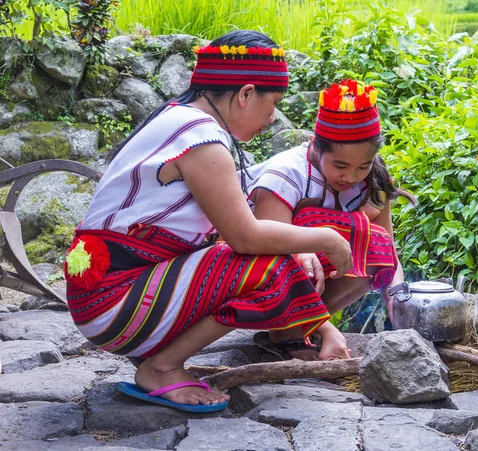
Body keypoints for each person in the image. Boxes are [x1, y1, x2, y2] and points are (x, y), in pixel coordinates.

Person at [63, 30, 354, 412]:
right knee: (268, 264)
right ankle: (161, 367)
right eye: (273, 104)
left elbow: (239, 232)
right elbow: (246, 238)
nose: (272, 118)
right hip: (111, 304)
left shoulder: (180, 120)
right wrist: (327, 239)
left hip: (108, 296)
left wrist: (308, 264)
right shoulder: (199, 137)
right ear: (246, 94)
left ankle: (161, 354)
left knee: (283, 255)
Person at [245, 79, 415, 360]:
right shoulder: (285, 174)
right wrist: (327, 329)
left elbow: (387, 249)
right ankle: (288, 328)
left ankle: (301, 327)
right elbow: (268, 250)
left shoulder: (373, 178)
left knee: (374, 244)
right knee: (305, 236)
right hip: (258, 272)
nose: (351, 177)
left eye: (363, 166)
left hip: (302, 287)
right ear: (315, 146)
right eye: (340, 165)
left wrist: (396, 296)